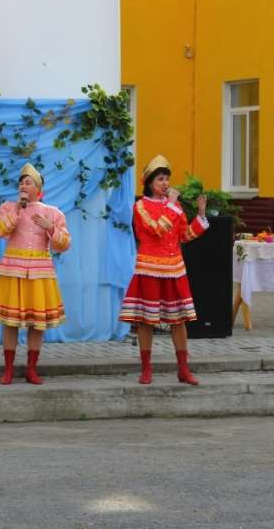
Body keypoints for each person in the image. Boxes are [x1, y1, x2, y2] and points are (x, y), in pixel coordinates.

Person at [119, 154, 208, 385]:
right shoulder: (140, 206)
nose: (166, 184)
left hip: (175, 269)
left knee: (179, 320)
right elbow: (156, 230)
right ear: (150, 183)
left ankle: (183, 369)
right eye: (160, 179)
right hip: (149, 268)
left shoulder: (175, 207)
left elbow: (184, 235)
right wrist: (171, 206)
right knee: (147, 320)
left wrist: (200, 216)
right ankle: (146, 369)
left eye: (167, 179)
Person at [0, 163, 71, 385]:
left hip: (40, 271)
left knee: (37, 322)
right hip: (13, 269)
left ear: (39, 189)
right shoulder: (9, 207)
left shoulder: (52, 213)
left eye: (28, 182)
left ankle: (31, 369)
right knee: (10, 321)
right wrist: (18, 210)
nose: (23, 186)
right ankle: (7, 369)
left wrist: (50, 227)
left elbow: (64, 244)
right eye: (21, 182)